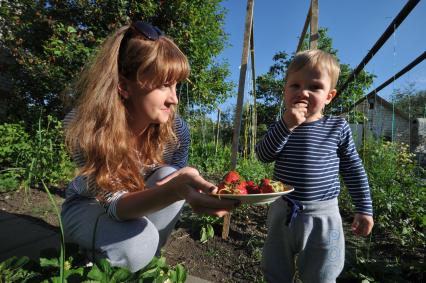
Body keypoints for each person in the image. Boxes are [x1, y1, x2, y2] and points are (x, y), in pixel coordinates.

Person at [61, 21, 238, 273]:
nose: (174, 98)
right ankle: (93, 260)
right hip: (88, 205)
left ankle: (143, 264)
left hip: (132, 202)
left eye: (176, 85)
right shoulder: (85, 126)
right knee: (137, 243)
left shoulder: (176, 130)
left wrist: (183, 188)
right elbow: (112, 203)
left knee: (170, 176)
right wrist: (177, 191)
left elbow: (170, 191)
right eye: (164, 85)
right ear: (124, 86)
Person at [255, 49, 374, 283]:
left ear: (329, 96)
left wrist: (364, 207)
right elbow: (264, 155)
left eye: (315, 87)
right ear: (285, 92)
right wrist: (286, 125)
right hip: (283, 211)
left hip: (323, 215)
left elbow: (353, 168)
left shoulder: (337, 127)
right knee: (275, 270)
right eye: (295, 86)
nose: (303, 93)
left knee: (322, 274)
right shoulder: (282, 126)